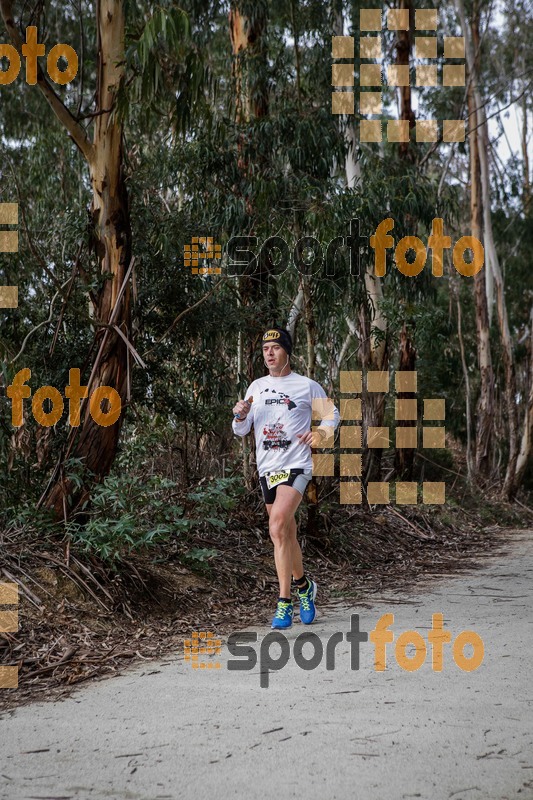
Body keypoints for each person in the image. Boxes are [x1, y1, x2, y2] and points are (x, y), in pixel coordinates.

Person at [232, 327, 339, 629]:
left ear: (287, 352)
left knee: (277, 525)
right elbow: (241, 429)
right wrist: (240, 415)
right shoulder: (256, 386)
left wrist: (320, 432)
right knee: (285, 535)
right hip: (268, 468)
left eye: (276, 348)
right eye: (266, 349)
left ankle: (284, 603)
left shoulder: (306, 386)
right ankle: (305, 586)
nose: (269, 353)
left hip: (297, 465)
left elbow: (333, 415)